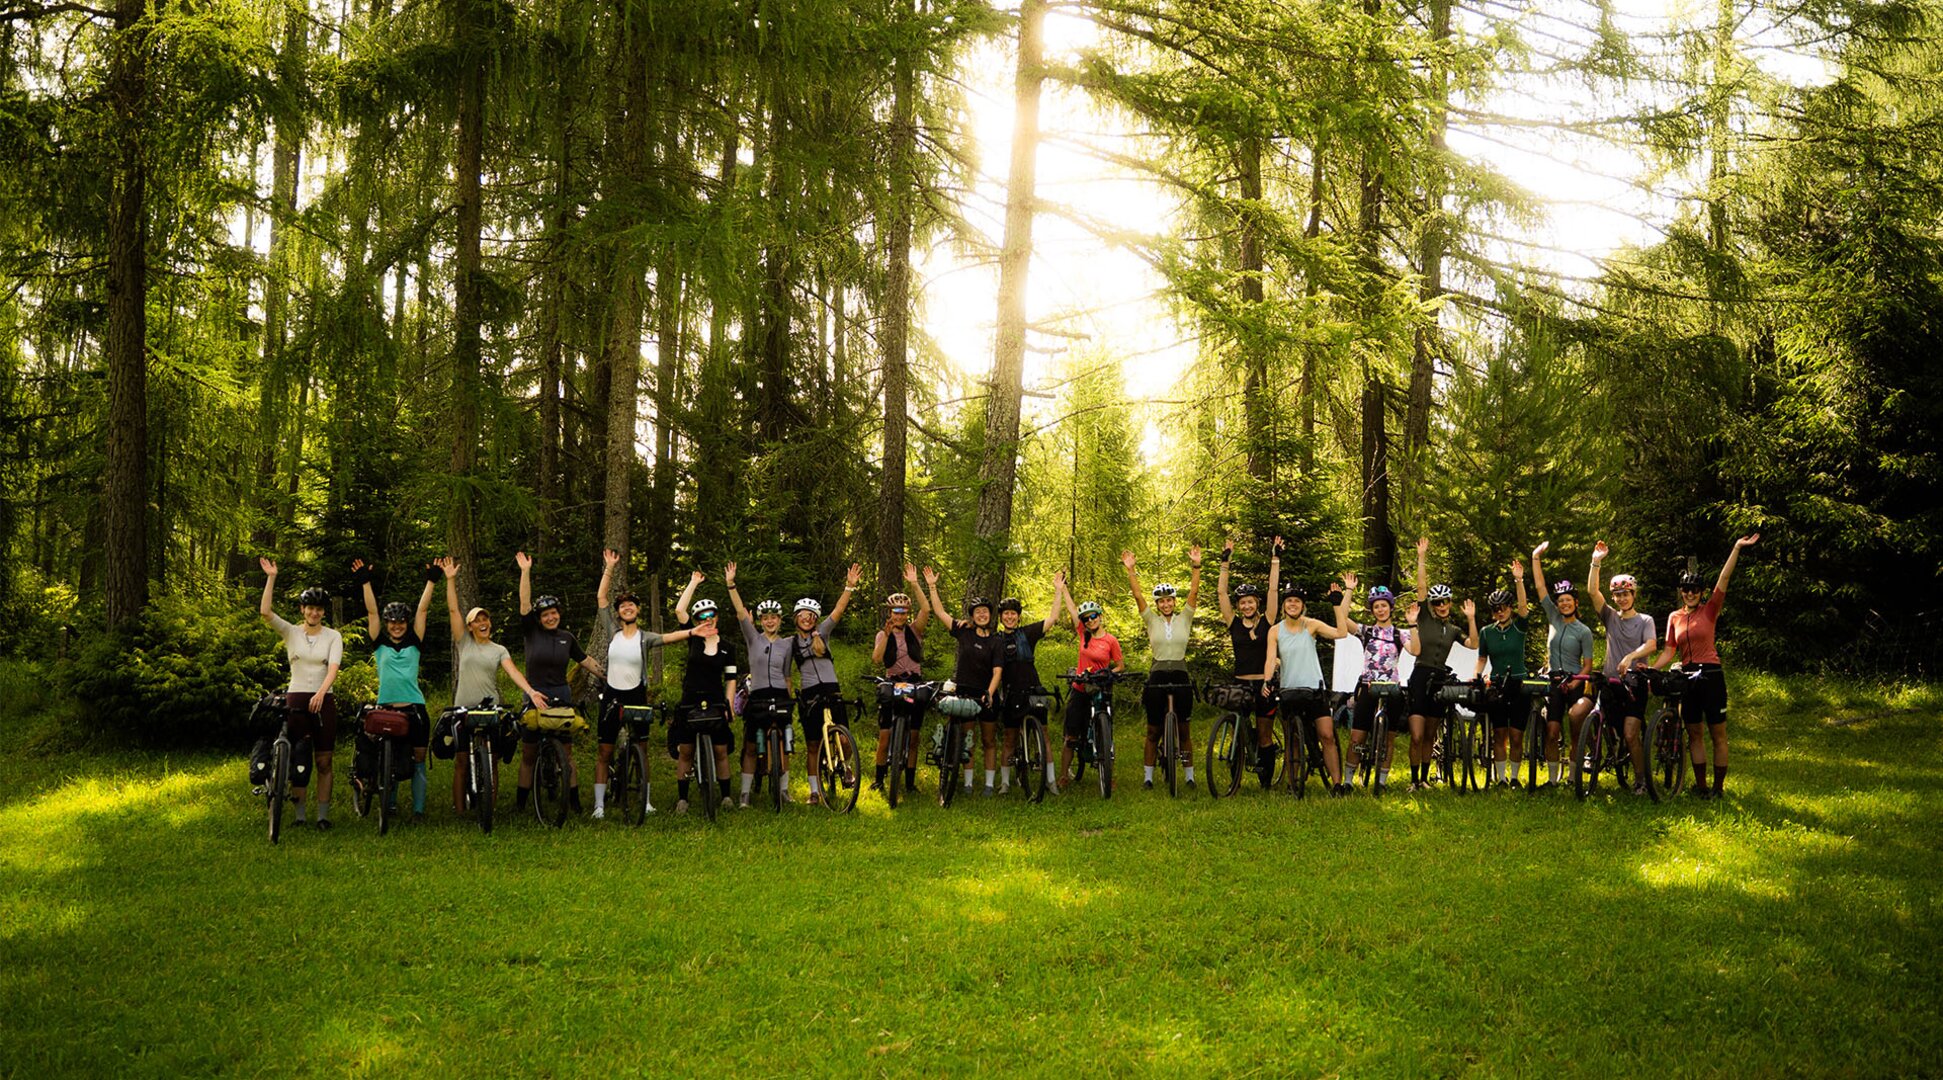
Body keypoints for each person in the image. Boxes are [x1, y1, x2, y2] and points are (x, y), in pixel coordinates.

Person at [593, 549, 714, 820]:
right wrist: (609, 567)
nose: (627, 608)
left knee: (643, 748)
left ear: (637, 611)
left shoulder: (645, 638)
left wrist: (694, 631)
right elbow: (601, 598)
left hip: (636, 693)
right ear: (618, 612)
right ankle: (599, 806)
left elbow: (670, 637)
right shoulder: (612, 632)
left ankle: (645, 801)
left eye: (632, 605)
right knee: (605, 750)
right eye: (623, 606)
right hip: (612, 694)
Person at [439, 558, 550, 813]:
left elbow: (513, 672)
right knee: (461, 762)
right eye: (478, 620)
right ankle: (459, 810)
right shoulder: (463, 643)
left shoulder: (499, 649)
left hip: (490, 710)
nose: (483, 623)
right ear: (470, 626)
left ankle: (490, 806)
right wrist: (450, 579)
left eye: (485, 619)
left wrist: (530, 691)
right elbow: (454, 610)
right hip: (464, 709)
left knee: (492, 759)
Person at [1654, 533, 1758, 799]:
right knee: (1695, 733)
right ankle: (1701, 787)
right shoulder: (1674, 617)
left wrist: (1736, 547)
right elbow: (1668, 651)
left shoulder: (1709, 610)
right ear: (1681, 592)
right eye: (1686, 590)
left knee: (1717, 733)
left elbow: (1723, 580)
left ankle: (1718, 788)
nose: (1690, 594)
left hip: (1711, 674)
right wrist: (1651, 669)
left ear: (1701, 593)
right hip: (1687, 677)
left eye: (1695, 590)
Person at [513, 550, 604, 811]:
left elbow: (585, 660)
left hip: (561, 695)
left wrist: (608, 677)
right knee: (529, 753)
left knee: (567, 753)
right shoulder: (531, 632)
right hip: (534, 694)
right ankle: (521, 803)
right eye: (545, 615)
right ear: (539, 619)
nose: (551, 617)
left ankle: (574, 802)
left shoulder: (567, 637)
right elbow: (524, 604)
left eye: (554, 613)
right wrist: (526, 572)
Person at [256, 559, 343, 829]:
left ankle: (323, 816)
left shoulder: (333, 636)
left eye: (318, 609)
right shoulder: (291, 632)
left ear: (322, 613)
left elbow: (333, 668)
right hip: (296, 699)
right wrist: (271, 578)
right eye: (310, 608)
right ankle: (300, 816)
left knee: (324, 760)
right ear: (302, 609)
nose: (314, 613)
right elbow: (266, 612)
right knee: (299, 757)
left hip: (323, 699)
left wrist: (321, 693)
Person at [354, 557, 437, 821]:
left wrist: (432, 580)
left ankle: (419, 810)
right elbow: (372, 613)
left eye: (401, 622)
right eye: (392, 622)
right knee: (388, 762)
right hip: (387, 708)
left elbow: (423, 611)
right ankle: (388, 805)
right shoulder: (379, 644)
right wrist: (365, 582)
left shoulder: (415, 641)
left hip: (415, 710)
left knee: (418, 760)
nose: (397, 626)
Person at [1260, 576, 1353, 793]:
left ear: (1303, 605)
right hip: (1288, 691)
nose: (1293, 604)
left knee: (1327, 735)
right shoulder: (1275, 630)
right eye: (1289, 601)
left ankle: (1337, 784)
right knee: (1292, 740)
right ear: (1284, 605)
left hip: (1314, 690)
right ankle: (1294, 784)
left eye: (1297, 601)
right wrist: (1267, 680)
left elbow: (1341, 632)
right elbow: (1270, 658)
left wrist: (1337, 604)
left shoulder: (1311, 625)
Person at [1402, 536, 1480, 792]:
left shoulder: (1454, 628)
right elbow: (1421, 588)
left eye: (1445, 601)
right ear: (1433, 606)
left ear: (1449, 603)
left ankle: (1424, 779)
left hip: (1439, 680)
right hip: (1420, 676)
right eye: (1438, 603)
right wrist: (1421, 557)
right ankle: (1413, 780)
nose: (1442, 606)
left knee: (1430, 734)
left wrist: (1471, 618)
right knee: (1416, 734)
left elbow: (1472, 644)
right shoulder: (1425, 618)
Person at [1122, 547, 1202, 790]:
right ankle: (1148, 777)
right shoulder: (1151, 620)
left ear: (1174, 602)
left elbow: (1194, 591)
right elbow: (1137, 597)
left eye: (1169, 600)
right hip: (1157, 673)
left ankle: (1189, 777)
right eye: (1161, 601)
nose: (1166, 604)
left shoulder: (1184, 618)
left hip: (1180, 672)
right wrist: (1131, 570)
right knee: (1153, 729)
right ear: (1157, 604)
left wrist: (1196, 566)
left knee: (1184, 728)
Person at [923, 566, 1004, 797]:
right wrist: (932, 586)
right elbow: (939, 613)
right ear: (972, 615)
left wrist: (989, 693)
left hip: (986, 694)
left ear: (990, 615)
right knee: (968, 739)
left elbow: (997, 671)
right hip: (964, 692)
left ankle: (989, 784)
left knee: (989, 740)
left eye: (985, 611)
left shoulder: (996, 641)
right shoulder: (964, 631)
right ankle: (967, 784)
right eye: (977, 611)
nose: (981, 614)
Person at [785, 564, 862, 805]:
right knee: (813, 745)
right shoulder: (791, 643)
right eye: (802, 616)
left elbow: (838, 611)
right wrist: (788, 698)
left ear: (815, 620)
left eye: (811, 616)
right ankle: (814, 791)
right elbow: (787, 675)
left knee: (845, 740)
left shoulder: (823, 633)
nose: (807, 619)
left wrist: (849, 586)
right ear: (796, 619)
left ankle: (846, 766)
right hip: (809, 695)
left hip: (831, 690)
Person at [726, 561, 797, 809]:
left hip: (780, 694)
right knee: (749, 744)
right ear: (760, 620)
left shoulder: (788, 643)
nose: (769, 621)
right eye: (765, 618)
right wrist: (731, 584)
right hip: (757, 695)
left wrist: (791, 699)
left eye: (774, 617)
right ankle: (744, 794)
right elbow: (740, 613)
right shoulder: (752, 638)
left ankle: (784, 790)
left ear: (780, 620)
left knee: (785, 743)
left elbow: (787, 674)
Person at [1589, 541, 1658, 794]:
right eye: (1617, 595)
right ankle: (1600, 759)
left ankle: (1640, 779)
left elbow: (1651, 645)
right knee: (1599, 721)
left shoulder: (1645, 620)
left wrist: (1631, 657)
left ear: (1633, 595)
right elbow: (1593, 592)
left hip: (1635, 683)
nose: (1621, 598)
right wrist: (1596, 561)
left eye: (1625, 594)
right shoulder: (1610, 616)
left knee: (1631, 735)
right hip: (1611, 682)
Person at [993, 571, 1070, 795]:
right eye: (1006, 614)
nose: (1010, 617)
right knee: (1009, 738)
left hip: (1034, 690)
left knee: (1044, 736)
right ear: (1001, 617)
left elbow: (1053, 618)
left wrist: (1058, 590)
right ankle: (1005, 783)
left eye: (1013, 614)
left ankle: (1051, 780)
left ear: (1018, 616)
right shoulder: (996, 640)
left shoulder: (1027, 633)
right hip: (1010, 693)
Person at [670, 572, 739, 814]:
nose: (707, 620)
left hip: (716, 699)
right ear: (698, 620)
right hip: (690, 699)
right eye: (702, 617)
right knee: (686, 750)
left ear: (717, 617)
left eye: (711, 615)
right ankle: (683, 799)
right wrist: (693, 583)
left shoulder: (728, 647)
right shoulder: (693, 639)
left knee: (721, 750)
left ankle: (727, 796)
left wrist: (729, 704)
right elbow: (680, 611)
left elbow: (731, 679)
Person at [1531, 541, 1595, 790]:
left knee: (1576, 731)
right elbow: (1539, 586)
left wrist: (1577, 681)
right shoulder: (1553, 618)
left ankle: (1573, 777)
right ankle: (1552, 779)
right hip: (1554, 681)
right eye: (1561, 601)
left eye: (1568, 600)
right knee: (1552, 731)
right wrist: (1536, 557)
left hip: (1576, 681)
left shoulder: (1584, 631)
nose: (1564, 604)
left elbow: (1588, 665)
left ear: (1576, 602)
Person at [1217, 537, 1282, 778]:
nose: (1246, 606)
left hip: (1263, 684)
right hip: (1240, 684)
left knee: (1264, 733)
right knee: (1239, 730)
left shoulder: (1268, 621)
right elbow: (1221, 592)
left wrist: (1275, 558)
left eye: (1250, 602)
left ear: (1257, 603)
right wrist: (1225, 562)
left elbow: (1273, 590)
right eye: (1243, 602)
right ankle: (1236, 775)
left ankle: (1266, 778)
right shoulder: (1233, 623)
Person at [1337, 570, 1406, 793]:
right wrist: (1348, 591)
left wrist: (1413, 624)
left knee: (1389, 738)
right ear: (1372, 610)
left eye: (1384, 605)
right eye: (1376, 606)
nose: (1380, 609)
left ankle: (1382, 782)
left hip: (1392, 688)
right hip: (1368, 686)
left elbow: (1416, 649)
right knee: (1358, 735)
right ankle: (1348, 781)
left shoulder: (1400, 634)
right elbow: (1342, 619)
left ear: (1391, 607)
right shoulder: (1366, 631)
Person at [870, 563, 932, 794]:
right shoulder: (882, 633)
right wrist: (886, 635)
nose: (900, 616)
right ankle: (878, 778)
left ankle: (909, 782)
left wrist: (915, 583)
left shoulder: (914, 630)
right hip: (893, 682)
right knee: (885, 735)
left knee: (914, 736)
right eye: (896, 612)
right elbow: (876, 659)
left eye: (904, 612)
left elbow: (926, 610)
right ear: (890, 614)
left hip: (914, 682)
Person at [1473, 559, 1533, 787]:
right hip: (1497, 685)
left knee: (1516, 735)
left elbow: (1524, 607)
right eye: (1496, 609)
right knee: (1499, 734)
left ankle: (1515, 777)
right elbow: (1482, 658)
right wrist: (1476, 675)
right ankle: (1501, 778)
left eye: (1504, 608)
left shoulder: (1519, 627)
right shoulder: (1487, 632)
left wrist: (1519, 579)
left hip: (1519, 683)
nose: (1500, 612)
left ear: (1509, 608)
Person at [1058, 597, 1125, 790]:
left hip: (1101, 688)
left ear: (1100, 616)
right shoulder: (1083, 634)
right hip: (1081, 688)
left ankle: (1108, 775)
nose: (1090, 621)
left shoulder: (1111, 640)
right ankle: (1064, 774)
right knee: (1071, 736)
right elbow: (1072, 611)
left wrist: (1109, 673)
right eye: (1086, 619)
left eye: (1093, 616)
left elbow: (1120, 666)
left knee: (1106, 734)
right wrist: (1063, 589)